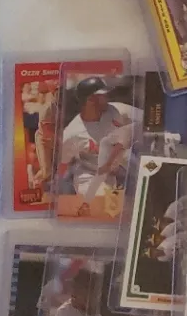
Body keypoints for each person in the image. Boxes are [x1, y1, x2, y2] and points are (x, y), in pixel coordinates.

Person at [58, 76, 140, 215]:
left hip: (122, 168)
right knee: (105, 209)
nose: (107, 97)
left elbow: (149, 121)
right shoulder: (71, 133)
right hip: (90, 175)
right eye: (103, 95)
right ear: (90, 100)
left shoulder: (116, 110)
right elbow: (62, 163)